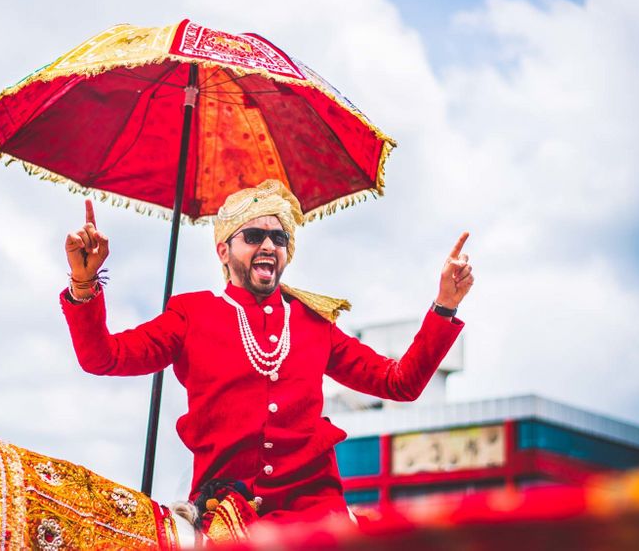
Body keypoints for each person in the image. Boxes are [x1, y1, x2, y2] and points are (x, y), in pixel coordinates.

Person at [60, 179, 473, 531]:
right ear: (223, 251)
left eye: (279, 238)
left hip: (315, 516)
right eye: (253, 236)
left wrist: (444, 306)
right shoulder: (191, 314)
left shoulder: (314, 323)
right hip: (224, 513)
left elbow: (398, 383)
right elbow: (104, 357)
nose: (268, 246)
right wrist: (84, 282)